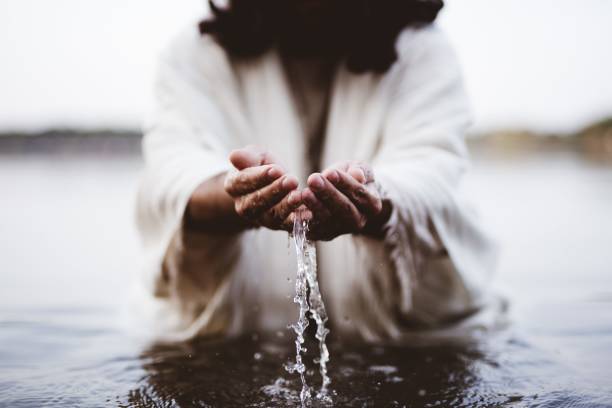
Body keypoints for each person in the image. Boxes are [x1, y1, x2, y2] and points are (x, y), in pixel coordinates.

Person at [135, 0, 499, 342]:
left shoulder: (421, 50)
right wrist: (233, 193)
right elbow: (172, 171)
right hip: (216, 332)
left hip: (416, 336)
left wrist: (375, 199)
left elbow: (432, 173)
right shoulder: (196, 52)